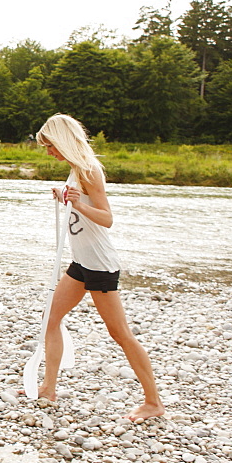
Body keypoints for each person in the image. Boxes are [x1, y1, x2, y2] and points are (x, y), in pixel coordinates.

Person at [34, 113, 165, 421]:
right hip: (82, 262)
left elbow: (107, 217)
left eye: (50, 145)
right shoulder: (76, 169)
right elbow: (80, 202)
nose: (48, 152)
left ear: (62, 140)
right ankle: (48, 388)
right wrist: (64, 196)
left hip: (100, 266)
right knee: (50, 318)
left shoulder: (90, 169)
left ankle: (153, 402)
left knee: (120, 333)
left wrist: (78, 204)